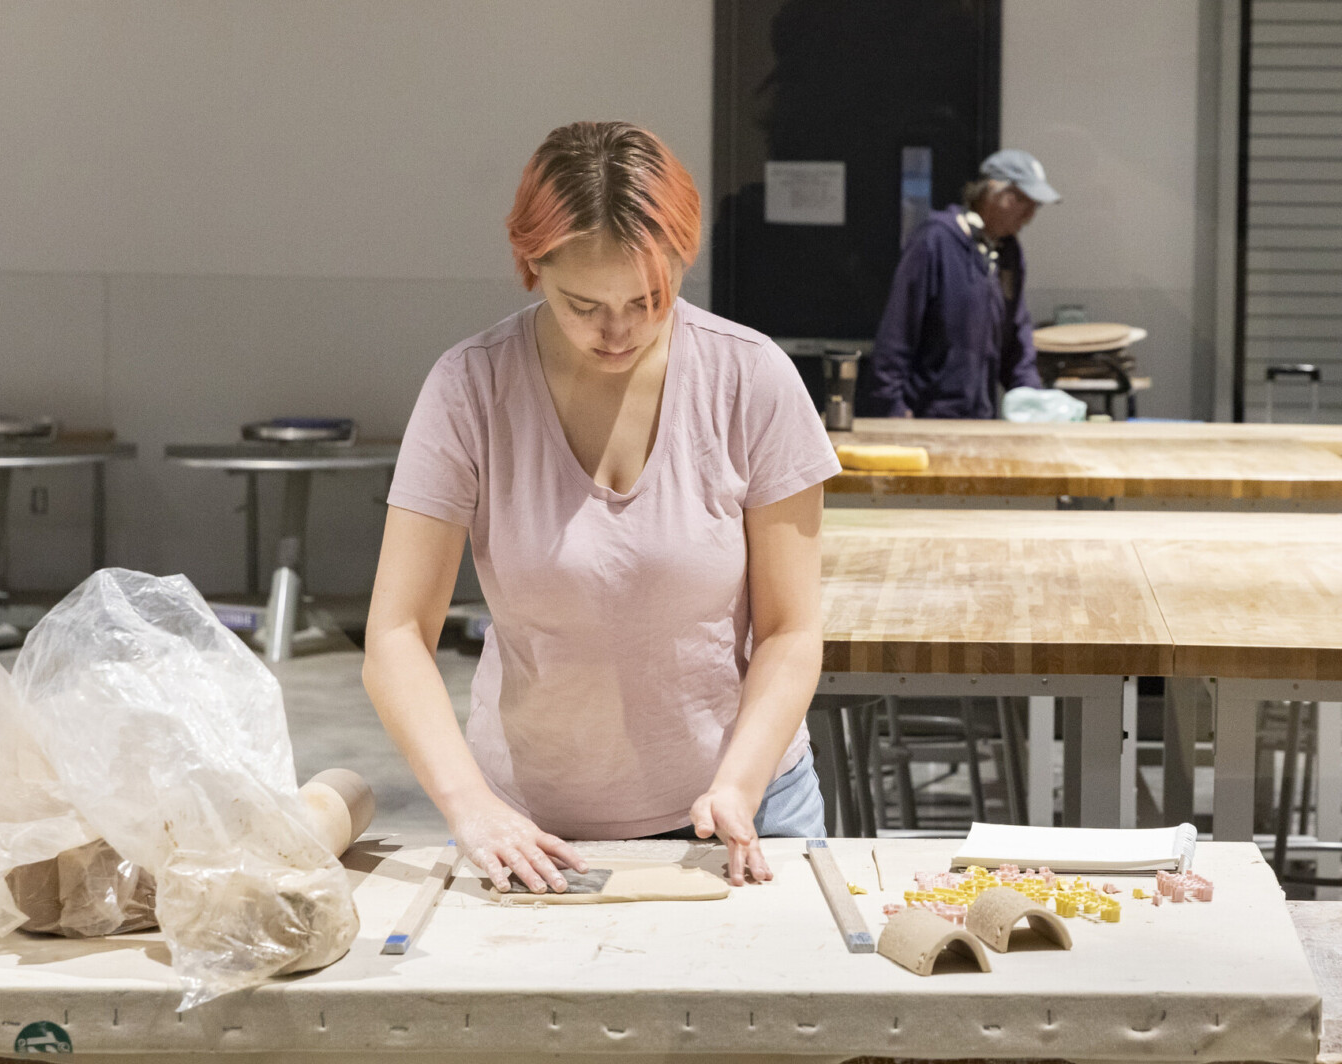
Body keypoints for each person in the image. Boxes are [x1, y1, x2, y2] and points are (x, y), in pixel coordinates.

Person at [364, 122, 841, 895]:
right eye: (581, 303)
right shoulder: (470, 388)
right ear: (532, 266)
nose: (617, 331)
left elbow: (790, 629)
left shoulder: (752, 380)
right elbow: (395, 634)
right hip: (532, 828)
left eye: (649, 300)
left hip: (746, 808)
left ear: (684, 260)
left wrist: (740, 784)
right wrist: (470, 807)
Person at [867, 149, 1061, 419]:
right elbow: (897, 333)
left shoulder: (1008, 253)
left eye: (1035, 205)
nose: (1029, 214)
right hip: (926, 417)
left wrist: (1034, 404)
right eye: (1022, 200)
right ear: (991, 192)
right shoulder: (934, 241)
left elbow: (1017, 338)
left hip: (979, 418)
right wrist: (893, 409)